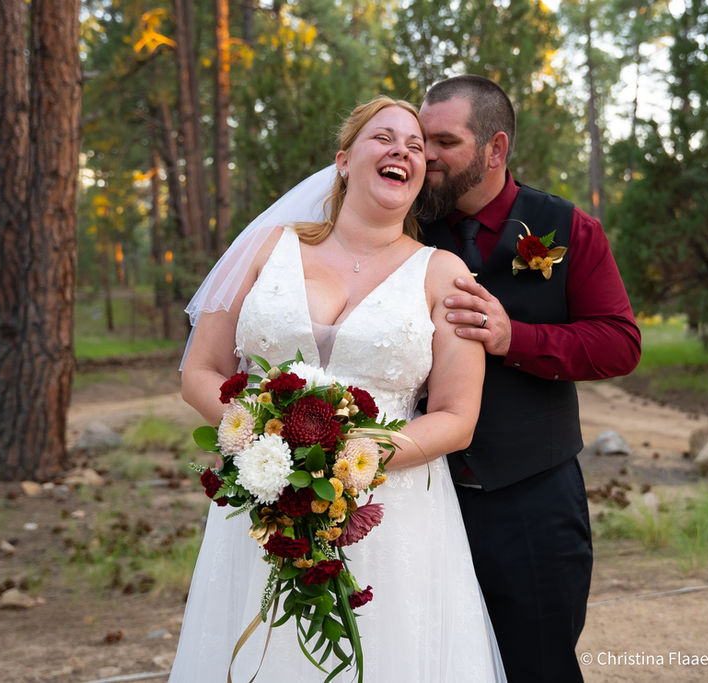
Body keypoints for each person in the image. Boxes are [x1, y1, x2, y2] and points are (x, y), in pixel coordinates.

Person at [170, 96, 506, 682]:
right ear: (344, 160)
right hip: (267, 500)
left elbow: (457, 416)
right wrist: (261, 441)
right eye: (384, 137)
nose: (402, 149)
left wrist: (354, 459)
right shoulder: (267, 249)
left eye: (416, 145)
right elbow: (199, 371)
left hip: (392, 514)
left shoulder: (444, 273)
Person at [417, 75, 642, 682]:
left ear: (495, 149)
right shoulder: (400, 228)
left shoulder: (569, 230)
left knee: (538, 664)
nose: (426, 156)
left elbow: (621, 344)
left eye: (444, 141)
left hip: (532, 498)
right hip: (418, 497)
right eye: (421, 138)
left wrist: (516, 338)